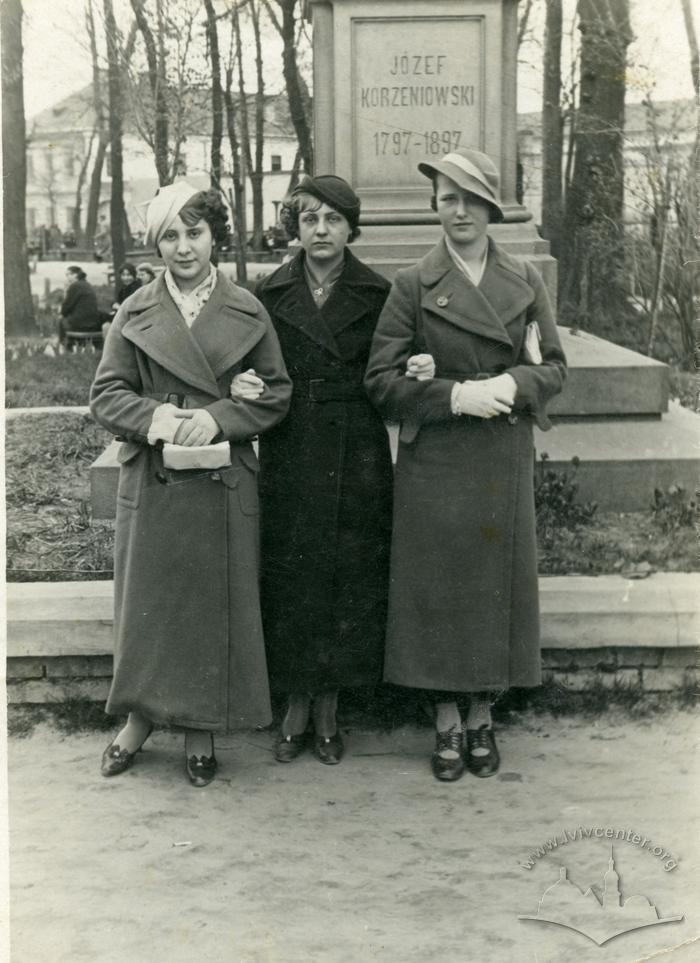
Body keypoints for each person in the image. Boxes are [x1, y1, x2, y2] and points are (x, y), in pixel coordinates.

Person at [364, 150, 567, 782]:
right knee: (440, 590)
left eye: (472, 199)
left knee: (489, 590)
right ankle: (446, 720)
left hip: (500, 455)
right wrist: (452, 395)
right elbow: (380, 380)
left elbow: (554, 366)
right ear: (435, 207)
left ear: (491, 209)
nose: (460, 212)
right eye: (448, 198)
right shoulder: (412, 285)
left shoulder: (525, 280)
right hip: (439, 459)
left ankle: (484, 715)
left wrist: (512, 383)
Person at [90, 182, 292, 787]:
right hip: (154, 478)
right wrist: (158, 418)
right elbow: (106, 394)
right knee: (151, 610)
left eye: (195, 233)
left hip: (221, 479)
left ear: (215, 235)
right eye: (170, 236)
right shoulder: (135, 310)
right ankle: (138, 722)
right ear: (156, 244)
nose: (184, 248)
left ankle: (202, 727)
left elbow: (277, 392)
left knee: (210, 608)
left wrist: (219, 417)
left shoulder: (249, 310)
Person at [247, 175, 393, 765]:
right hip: (292, 443)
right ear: (296, 228)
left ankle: (330, 704)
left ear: (351, 227)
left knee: (347, 573)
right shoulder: (270, 290)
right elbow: (252, 362)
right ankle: (296, 702)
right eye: (309, 220)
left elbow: (388, 372)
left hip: (355, 447)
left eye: (333, 220)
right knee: (293, 574)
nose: (321, 231)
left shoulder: (378, 292)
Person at [58, 265, 101, 346]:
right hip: (93, 322)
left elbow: (65, 309)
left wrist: (65, 291)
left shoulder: (75, 286)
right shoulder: (86, 284)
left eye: (69, 274)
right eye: (66, 275)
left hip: (81, 323)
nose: (68, 277)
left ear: (76, 275)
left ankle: (66, 348)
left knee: (61, 321)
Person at [102, 263, 142, 340]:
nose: (125, 278)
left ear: (134, 275)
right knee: (104, 322)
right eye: (123, 275)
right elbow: (118, 302)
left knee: (106, 326)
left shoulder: (136, 288)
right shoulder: (124, 288)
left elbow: (132, 307)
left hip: (132, 319)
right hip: (123, 317)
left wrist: (118, 307)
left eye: (128, 275)